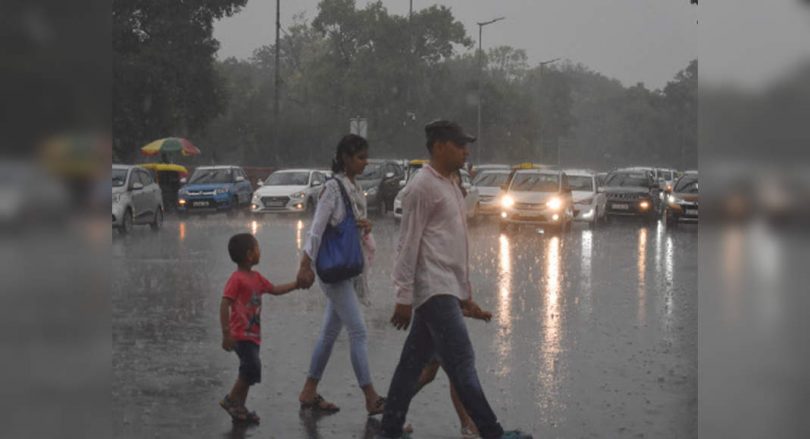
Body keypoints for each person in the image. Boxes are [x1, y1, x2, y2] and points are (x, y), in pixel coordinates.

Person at [378, 120, 532, 439]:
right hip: (433, 288)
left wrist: (464, 294)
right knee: (462, 362)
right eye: (460, 145)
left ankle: (389, 427)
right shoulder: (421, 187)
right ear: (438, 147)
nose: (466, 151)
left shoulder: (450, 183)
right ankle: (492, 432)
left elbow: (453, 244)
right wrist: (403, 295)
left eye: (466, 145)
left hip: (445, 287)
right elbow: (408, 242)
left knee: (411, 364)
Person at [296, 134, 386, 416]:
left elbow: (350, 225)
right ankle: (371, 397)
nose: (365, 162)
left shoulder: (353, 187)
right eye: (360, 157)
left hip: (346, 268)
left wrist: (365, 225)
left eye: (365, 156)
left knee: (329, 333)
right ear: (345, 158)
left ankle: (308, 391)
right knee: (358, 330)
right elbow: (316, 229)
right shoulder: (333, 189)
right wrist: (304, 264)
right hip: (333, 271)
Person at [219, 233, 303, 424]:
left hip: (253, 335)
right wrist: (226, 333)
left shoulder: (256, 278)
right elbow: (225, 304)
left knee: (248, 371)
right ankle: (231, 400)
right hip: (240, 335)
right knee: (251, 368)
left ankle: (239, 407)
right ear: (249, 254)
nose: (260, 252)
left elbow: (274, 289)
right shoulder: (237, 279)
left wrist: (296, 285)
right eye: (257, 249)